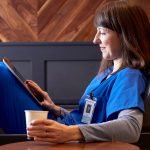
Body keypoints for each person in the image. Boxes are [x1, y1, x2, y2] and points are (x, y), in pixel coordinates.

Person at [0, 0, 150, 143]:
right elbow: (87, 118)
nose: (95, 40)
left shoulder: (130, 75)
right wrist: (56, 108)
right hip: (58, 124)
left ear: (126, 36)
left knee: (1, 73)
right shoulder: (108, 73)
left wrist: (70, 133)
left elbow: (131, 128)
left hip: (59, 136)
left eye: (102, 33)